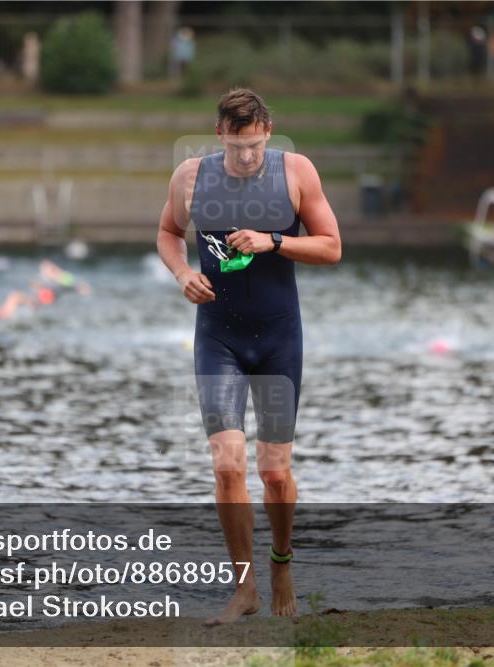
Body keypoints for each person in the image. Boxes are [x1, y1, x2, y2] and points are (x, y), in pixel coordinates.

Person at [156, 88, 341, 624]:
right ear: (220, 136)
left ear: (268, 132)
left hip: (279, 337)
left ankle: (281, 562)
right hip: (218, 338)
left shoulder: (295, 171)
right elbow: (169, 232)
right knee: (227, 463)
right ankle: (245, 589)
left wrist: (274, 242)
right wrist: (183, 272)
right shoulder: (190, 177)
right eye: (237, 147)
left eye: (255, 145)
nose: (246, 157)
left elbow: (331, 246)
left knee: (275, 473)